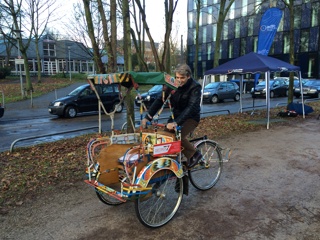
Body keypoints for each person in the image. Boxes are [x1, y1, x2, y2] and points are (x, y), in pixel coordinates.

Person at [141, 64, 202, 168]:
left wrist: (176, 123)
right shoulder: (172, 84)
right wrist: (148, 116)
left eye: (182, 78)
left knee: (178, 136)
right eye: (177, 77)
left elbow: (191, 108)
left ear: (188, 77)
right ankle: (173, 163)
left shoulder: (195, 87)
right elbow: (160, 100)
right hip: (176, 116)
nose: (179, 80)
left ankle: (194, 154)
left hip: (191, 117)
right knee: (164, 136)